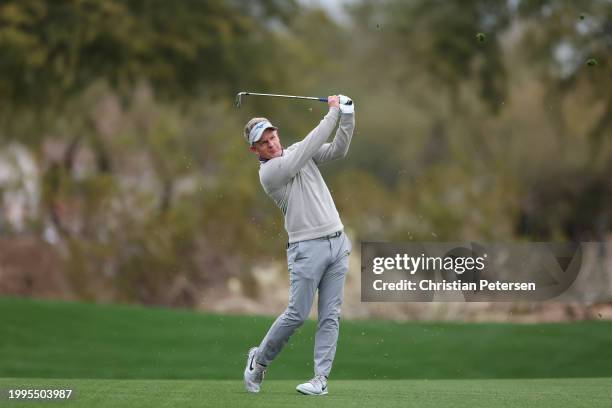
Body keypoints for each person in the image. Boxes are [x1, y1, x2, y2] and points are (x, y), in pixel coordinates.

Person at [243, 95, 355, 395]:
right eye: (263, 143)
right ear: (255, 150)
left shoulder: (295, 153)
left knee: (330, 315)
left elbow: (338, 149)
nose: (271, 144)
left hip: (337, 242)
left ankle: (321, 379)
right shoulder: (270, 173)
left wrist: (347, 115)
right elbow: (308, 145)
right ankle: (259, 360)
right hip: (306, 250)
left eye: (272, 136)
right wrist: (332, 112)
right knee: (297, 314)